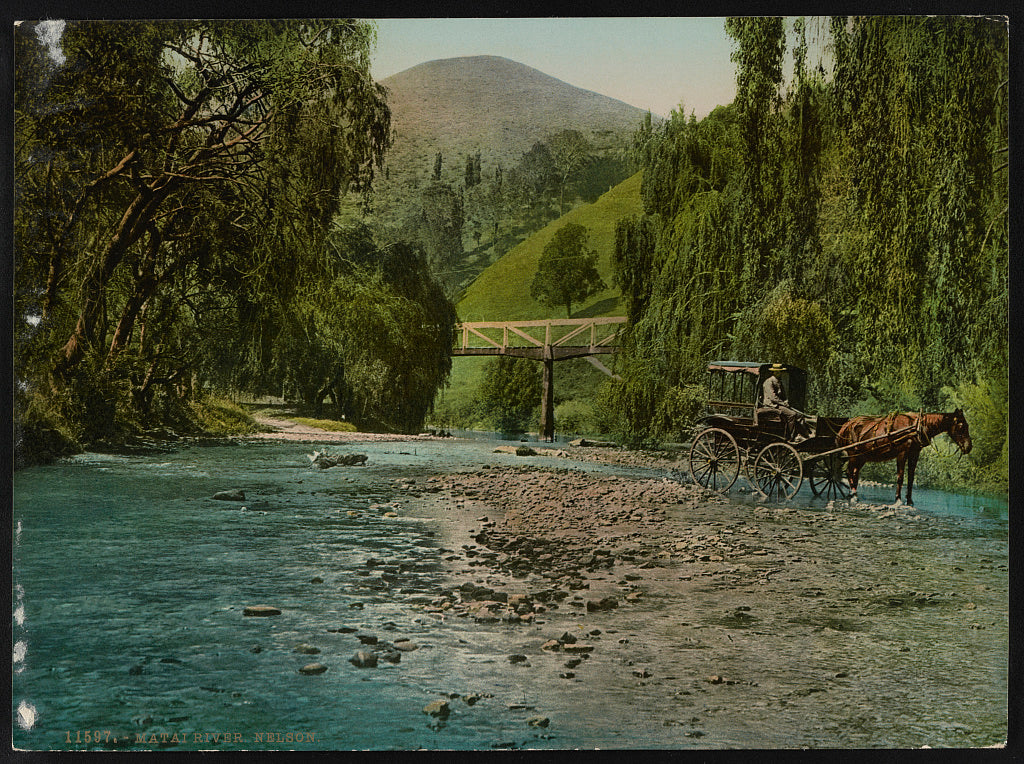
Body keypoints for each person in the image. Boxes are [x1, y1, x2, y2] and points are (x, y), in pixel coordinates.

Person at [763, 364, 809, 441]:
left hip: (779, 404)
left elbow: (783, 395)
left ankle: (804, 434)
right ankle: (792, 436)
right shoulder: (769, 382)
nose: (780, 373)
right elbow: (773, 397)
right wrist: (783, 403)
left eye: (781, 372)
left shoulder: (779, 381)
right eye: (778, 372)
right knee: (792, 414)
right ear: (774, 372)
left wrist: (786, 401)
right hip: (771, 405)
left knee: (800, 415)